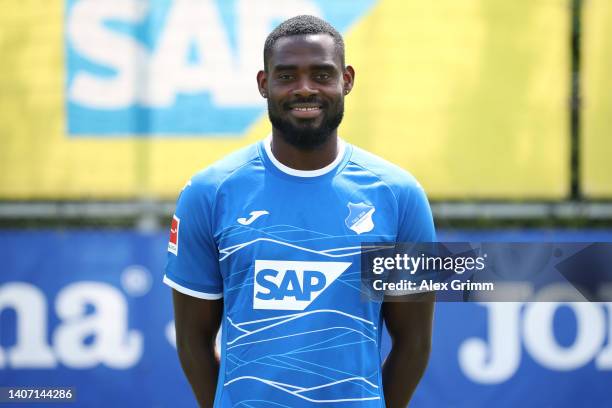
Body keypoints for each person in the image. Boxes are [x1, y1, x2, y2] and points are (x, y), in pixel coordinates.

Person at [164, 15, 435, 408]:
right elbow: (192, 341)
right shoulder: (207, 192)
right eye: (287, 76)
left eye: (322, 75)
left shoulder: (402, 195)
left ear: (347, 79)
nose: (305, 89)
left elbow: (416, 343)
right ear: (263, 84)